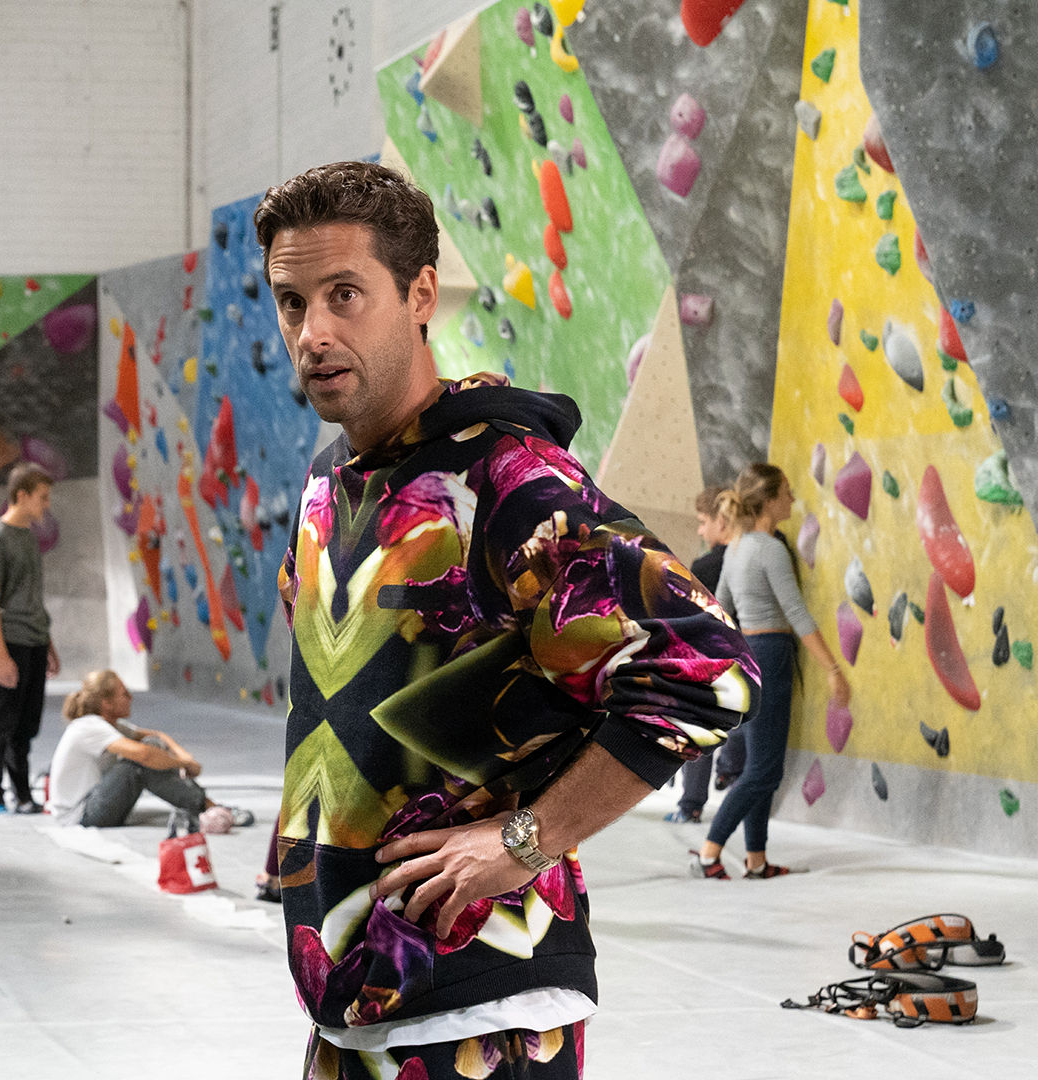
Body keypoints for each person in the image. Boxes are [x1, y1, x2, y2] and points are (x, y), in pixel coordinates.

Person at [258, 161, 755, 1079]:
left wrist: (526, 839)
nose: (313, 332)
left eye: (344, 295)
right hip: (357, 999)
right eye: (292, 302)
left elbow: (706, 665)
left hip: (482, 1013)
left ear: (420, 295)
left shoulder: (508, 478)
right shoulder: (330, 482)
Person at [694, 464, 851, 880]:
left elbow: (720, 609)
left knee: (758, 765)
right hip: (771, 654)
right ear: (767, 501)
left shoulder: (736, 548)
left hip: (748, 656)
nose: (792, 499)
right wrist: (833, 668)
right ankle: (709, 853)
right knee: (765, 770)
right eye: (786, 492)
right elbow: (797, 615)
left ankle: (756, 860)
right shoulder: (770, 548)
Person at [45, 669, 255, 829]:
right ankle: (207, 807)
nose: (130, 698)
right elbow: (143, 755)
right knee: (139, 763)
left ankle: (206, 805)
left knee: (152, 747)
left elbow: (156, 737)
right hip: (81, 816)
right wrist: (182, 763)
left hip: (94, 806)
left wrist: (186, 759)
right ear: (106, 703)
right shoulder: (89, 726)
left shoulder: (113, 726)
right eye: (124, 694)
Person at [0, 463, 60, 814]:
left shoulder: (29, 537)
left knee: (26, 726)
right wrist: (1, 655)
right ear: (22, 496)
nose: (47, 505)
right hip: (10, 642)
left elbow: (32, 597)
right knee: (1, 722)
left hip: (35, 639)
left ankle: (23, 795)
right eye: (42, 497)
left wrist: (48, 643)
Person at [666, 484, 744, 823]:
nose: (700, 530)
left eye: (703, 521)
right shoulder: (751, 551)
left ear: (721, 521)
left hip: (711, 654)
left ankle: (691, 804)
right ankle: (731, 774)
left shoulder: (708, 564)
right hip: (750, 652)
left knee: (699, 723)